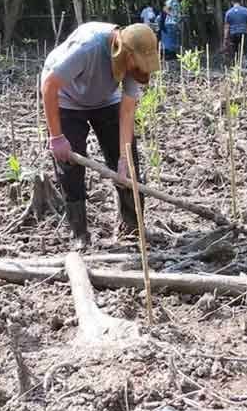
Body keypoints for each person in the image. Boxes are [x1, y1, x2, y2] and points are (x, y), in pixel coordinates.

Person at [41, 23, 161, 248]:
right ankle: (79, 233)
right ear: (123, 53)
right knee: (69, 166)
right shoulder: (88, 48)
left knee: (128, 164)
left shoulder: (135, 62)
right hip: (66, 97)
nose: (137, 70)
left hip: (105, 99)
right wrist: (56, 137)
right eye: (134, 64)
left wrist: (123, 158)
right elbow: (50, 85)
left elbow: (127, 111)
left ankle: (131, 227)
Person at [223, 0, 247, 67]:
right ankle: (244, 65)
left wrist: (225, 38)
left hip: (233, 34)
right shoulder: (246, 11)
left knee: (234, 51)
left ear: (232, 2)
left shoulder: (228, 12)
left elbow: (226, 27)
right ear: (240, 2)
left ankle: (235, 65)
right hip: (243, 33)